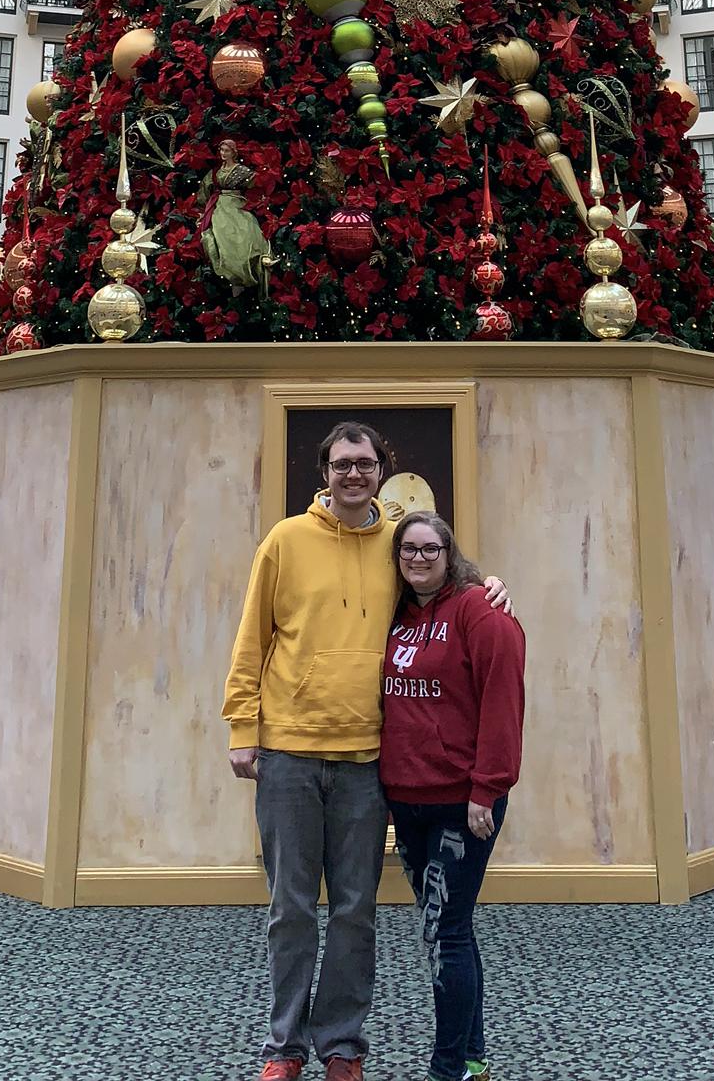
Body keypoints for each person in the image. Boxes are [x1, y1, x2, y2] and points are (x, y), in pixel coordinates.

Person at [223, 423, 508, 1081]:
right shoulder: (285, 541)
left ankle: (343, 1046)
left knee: (355, 911)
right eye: (342, 464)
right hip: (288, 755)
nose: (354, 474)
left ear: (383, 470)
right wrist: (243, 728)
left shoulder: (394, 545)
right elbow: (250, 639)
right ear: (323, 472)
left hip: (364, 763)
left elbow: (443, 582)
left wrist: (492, 586)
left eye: (366, 463)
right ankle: (284, 1048)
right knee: (290, 908)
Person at [379, 512, 525, 1081]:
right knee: (447, 928)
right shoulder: (392, 617)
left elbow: (502, 704)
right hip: (406, 800)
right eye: (407, 550)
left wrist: (487, 789)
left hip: (464, 803)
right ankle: (473, 1057)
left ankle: (447, 1069)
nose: (418, 558)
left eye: (429, 548)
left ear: (448, 550)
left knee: (447, 930)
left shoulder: (481, 611)